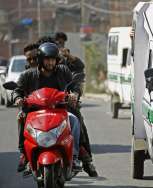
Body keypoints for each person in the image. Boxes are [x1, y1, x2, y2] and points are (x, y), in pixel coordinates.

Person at [14, 42, 82, 172]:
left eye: (53, 59)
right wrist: (18, 98)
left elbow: (75, 86)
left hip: (60, 111)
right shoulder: (28, 75)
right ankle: (24, 154)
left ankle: (74, 156)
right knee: (20, 117)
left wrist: (74, 94)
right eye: (47, 59)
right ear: (40, 60)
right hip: (35, 112)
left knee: (74, 120)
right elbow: (17, 90)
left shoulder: (63, 71)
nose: (50, 63)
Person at [55, 32, 98, 177]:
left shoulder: (65, 66)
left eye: (61, 43)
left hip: (65, 105)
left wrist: (74, 95)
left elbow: (78, 73)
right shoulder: (38, 68)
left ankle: (85, 159)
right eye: (57, 43)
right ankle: (25, 153)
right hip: (44, 107)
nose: (59, 46)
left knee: (77, 123)